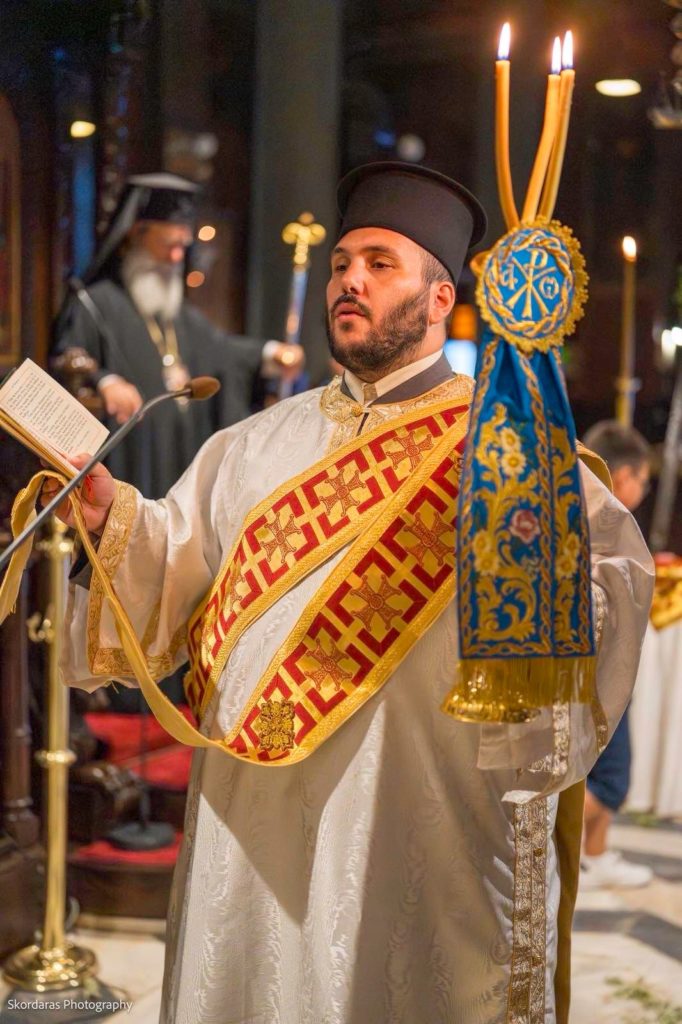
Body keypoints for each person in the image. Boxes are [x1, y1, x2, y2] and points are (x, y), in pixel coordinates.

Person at [49, 163, 653, 1024]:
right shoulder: (251, 444)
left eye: (378, 263)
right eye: (341, 264)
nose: (348, 281)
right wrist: (113, 518)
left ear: (439, 299)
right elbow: (176, 561)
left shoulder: (509, 451)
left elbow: (609, 589)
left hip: (415, 819)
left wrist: (532, 581)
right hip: (248, 819)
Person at [52, 173, 304, 500]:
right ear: (134, 235)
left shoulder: (175, 311)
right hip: (132, 463)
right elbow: (66, 359)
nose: (176, 258)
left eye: (182, 247)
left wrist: (272, 354)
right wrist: (105, 381)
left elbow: (221, 351)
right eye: (168, 244)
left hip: (181, 455)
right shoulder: (93, 304)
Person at [580, 420, 654, 890]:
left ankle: (595, 854)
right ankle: (552, 844)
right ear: (624, 476)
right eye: (644, 480)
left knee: (603, 769)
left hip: (587, 655)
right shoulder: (605, 518)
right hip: (597, 657)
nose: (643, 490)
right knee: (609, 774)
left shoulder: (568, 498)